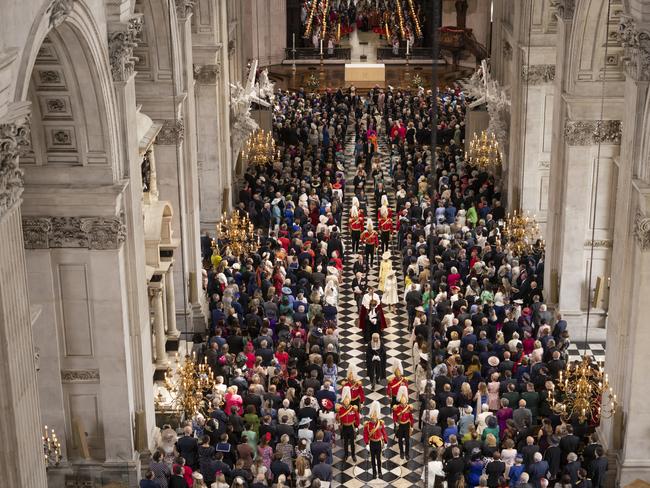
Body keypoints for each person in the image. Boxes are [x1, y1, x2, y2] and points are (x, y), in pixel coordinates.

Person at [363, 400, 388, 479]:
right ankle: (374, 472)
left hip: (378, 443)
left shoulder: (380, 424)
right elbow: (365, 434)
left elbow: (384, 433)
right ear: (371, 415)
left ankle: (380, 472)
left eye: (375, 414)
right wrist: (367, 443)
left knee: (379, 459)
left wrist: (386, 441)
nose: (374, 416)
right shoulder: (367, 425)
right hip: (372, 443)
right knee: (373, 459)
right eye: (373, 414)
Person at [336, 385, 360, 462]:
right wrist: (338, 420)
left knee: (352, 443)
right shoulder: (340, 409)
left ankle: (353, 455)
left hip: (351, 427)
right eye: (345, 401)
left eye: (347, 401)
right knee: (345, 442)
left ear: (349, 401)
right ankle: (346, 454)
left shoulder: (353, 409)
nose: (346, 402)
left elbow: (357, 418)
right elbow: (337, 417)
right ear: (343, 401)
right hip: (344, 427)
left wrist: (356, 426)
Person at [392, 385, 414, 460]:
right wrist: (397, 421)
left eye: (405, 404)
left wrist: (412, 425)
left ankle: (407, 453)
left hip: (407, 425)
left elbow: (411, 417)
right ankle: (401, 452)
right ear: (400, 403)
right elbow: (394, 417)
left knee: (407, 441)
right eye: (402, 404)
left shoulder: (408, 407)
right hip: (401, 425)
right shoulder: (397, 408)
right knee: (400, 440)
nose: (404, 405)